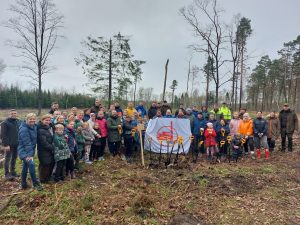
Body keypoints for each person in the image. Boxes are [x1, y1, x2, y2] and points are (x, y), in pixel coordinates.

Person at [18, 113, 43, 191]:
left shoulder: (34, 126)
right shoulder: (24, 129)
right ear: (26, 119)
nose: (32, 120)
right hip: (24, 150)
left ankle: (23, 184)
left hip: (30, 150)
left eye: (33, 119)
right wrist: (30, 155)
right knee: (31, 164)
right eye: (30, 119)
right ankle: (35, 183)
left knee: (25, 167)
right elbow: (27, 143)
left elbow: (41, 124)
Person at [1, 109, 20, 181]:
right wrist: (6, 145)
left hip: (16, 144)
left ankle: (13, 171)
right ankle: (6, 173)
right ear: (9, 114)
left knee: (14, 158)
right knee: (7, 159)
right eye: (12, 113)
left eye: (15, 113)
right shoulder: (4, 123)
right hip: (8, 145)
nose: (14, 114)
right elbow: (3, 135)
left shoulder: (17, 122)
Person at [37, 114, 55, 183]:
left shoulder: (50, 127)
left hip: (50, 150)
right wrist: (53, 147)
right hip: (43, 150)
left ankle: (48, 177)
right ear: (42, 120)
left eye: (49, 120)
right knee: (45, 164)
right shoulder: (40, 130)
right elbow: (44, 143)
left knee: (50, 163)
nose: (48, 122)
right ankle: (43, 180)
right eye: (46, 120)